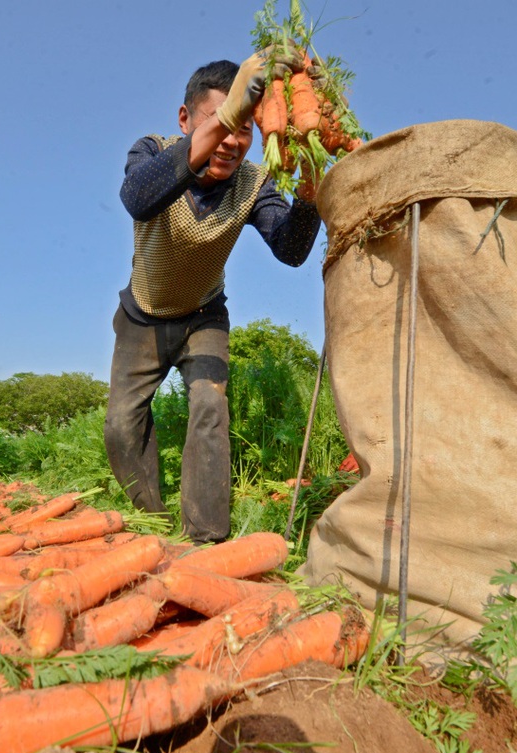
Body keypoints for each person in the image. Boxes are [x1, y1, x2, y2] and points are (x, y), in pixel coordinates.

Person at [104, 51, 322, 544]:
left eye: (245, 129)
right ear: (186, 120)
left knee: (209, 408)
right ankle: (153, 528)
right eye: (221, 122)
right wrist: (230, 115)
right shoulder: (152, 152)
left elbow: (290, 250)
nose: (232, 142)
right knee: (121, 426)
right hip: (142, 315)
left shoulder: (252, 182)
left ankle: (205, 542)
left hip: (204, 314)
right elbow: (138, 199)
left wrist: (310, 189)